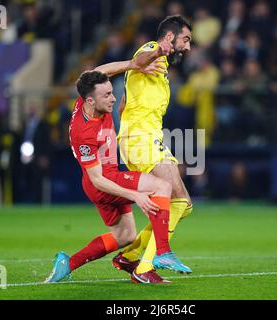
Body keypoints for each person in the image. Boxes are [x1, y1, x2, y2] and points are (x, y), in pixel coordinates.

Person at [44, 70, 191, 283]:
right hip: (104, 181)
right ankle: (162, 253)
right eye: (107, 95)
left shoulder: (85, 100)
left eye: (112, 92)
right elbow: (98, 179)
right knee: (162, 187)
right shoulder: (83, 133)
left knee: (126, 236)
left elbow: (100, 70)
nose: (113, 98)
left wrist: (132, 64)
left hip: (105, 179)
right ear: (91, 101)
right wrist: (136, 195)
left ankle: (69, 263)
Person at [115, 15, 194, 284]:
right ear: (170, 37)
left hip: (148, 138)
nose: (189, 47)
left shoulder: (162, 71)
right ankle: (145, 266)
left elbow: (123, 103)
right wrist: (158, 51)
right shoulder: (151, 49)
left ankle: (131, 255)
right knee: (175, 198)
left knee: (184, 205)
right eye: (186, 40)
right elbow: (139, 59)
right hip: (140, 139)